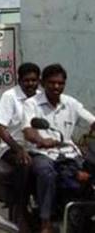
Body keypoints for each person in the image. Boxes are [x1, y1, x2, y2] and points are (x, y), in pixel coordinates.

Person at [22, 64, 95, 233]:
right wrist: (41, 139)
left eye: (60, 83)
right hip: (42, 153)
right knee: (47, 173)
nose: (56, 87)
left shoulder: (71, 103)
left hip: (69, 153)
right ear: (43, 83)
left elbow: (91, 119)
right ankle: (45, 221)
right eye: (52, 83)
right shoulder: (31, 104)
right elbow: (28, 130)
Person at [0, 62, 42, 231]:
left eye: (34, 80)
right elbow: (0, 127)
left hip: (39, 147)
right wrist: (18, 149)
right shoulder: (10, 96)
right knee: (26, 164)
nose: (30, 84)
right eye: (26, 80)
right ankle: (19, 209)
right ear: (20, 80)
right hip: (12, 148)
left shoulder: (42, 97)